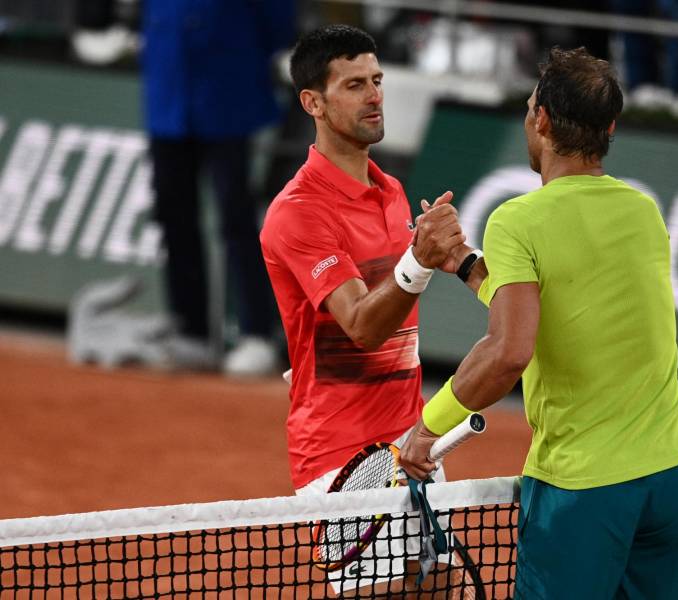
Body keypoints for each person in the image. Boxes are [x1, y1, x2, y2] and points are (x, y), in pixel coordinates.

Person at [400, 47, 678, 599]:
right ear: (609, 128)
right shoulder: (643, 211)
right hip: (672, 479)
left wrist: (429, 426)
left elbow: (509, 350)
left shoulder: (519, 219)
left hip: (582, 488)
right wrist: (467, 266)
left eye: (527, 108)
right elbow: (561, 305)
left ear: (540, 120)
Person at [259, 25, 466, 596]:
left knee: (442, 589)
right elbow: (362, 327)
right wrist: (418, 262)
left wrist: (451, 258)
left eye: (376, 80)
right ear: (313, 103)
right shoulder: (297, 212)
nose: (375, 95)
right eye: (354, 85)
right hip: (344, 458)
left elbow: (392, 294)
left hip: (413, 441)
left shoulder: (392, 190)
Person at [142, 0, 294, 376]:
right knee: (174, 214)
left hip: (229, 93)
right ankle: (190, 329)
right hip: (167, 89)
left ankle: (257, 331)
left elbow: (278, 22)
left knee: (238, 220)